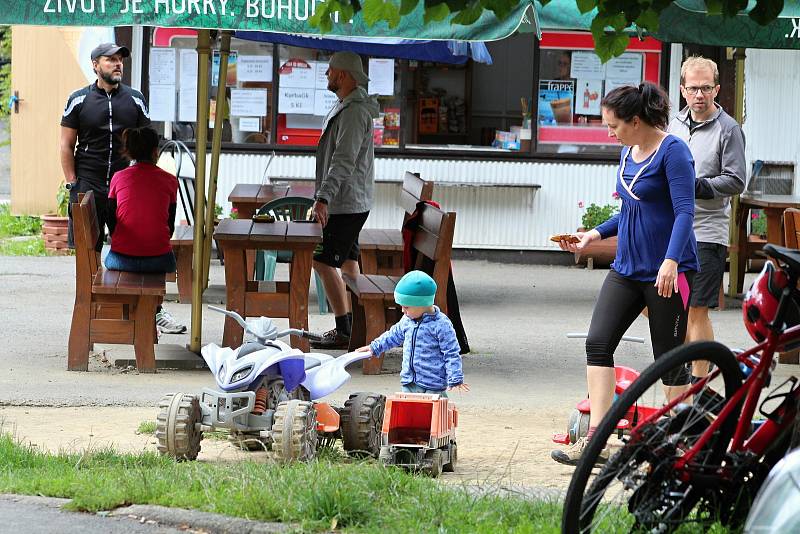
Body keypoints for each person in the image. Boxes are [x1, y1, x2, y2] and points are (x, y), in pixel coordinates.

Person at [550, 83, 699, 466]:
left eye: (613, 125)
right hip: (626, 268)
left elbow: (685, 212)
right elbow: (630, 209)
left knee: (670, 359)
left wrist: (671, 261)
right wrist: (593, 235)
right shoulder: (626, 152)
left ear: (636, 120)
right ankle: (597, 443)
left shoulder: (674, 152)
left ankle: (685, 444)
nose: (608, 132)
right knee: (598, 343)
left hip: (668, 271)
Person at [667, 56, 746, 378]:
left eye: (706, 88)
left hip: (705, 232)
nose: (700, 95)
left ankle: (699, 383)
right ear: (683, 90)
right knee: (662, 305)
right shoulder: (673, 124)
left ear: (717, 89)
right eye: (693, 88)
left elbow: (737, 180)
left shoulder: (729, 129)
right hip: (672, 230)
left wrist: (696, 187)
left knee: (697, 309)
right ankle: (689, 363)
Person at [309, 51, 380, 349]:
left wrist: (323, 197)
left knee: (322, 261)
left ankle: (344, 330)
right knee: (349, 264)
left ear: (344, 75)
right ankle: (357, 328)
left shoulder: (353, 111)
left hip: (345, 203)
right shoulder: (349, 106)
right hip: (351, 201)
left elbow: (343, 160)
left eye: (330, 70)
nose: (326, 74)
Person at [60, 43, 150, 252]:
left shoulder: (136, 99)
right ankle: (88, 285)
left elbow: (147, 144)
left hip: (125, 183)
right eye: (110, 59)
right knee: (88, 249)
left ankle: (123, 284)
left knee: (130, 245)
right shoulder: (78, 99)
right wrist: (72, 182)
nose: (118, 64)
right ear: (95, 65)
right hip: (88, 182)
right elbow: (66, 144)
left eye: (120, 59)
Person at [103, 127, 186, 334]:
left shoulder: (118, 178)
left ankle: (134, 314)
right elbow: (169, 223)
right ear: (155, 152)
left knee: (114, 255)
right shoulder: (170, 180)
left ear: (128, 152)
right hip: (159, 258)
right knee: (162, 254)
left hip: (121, 258)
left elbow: (110, 220)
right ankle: (155, 311)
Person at [356, 271, 470, 395]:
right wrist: (374, 347)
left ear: (422, 303)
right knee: (409, 413)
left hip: (433, 385)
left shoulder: (442, 324)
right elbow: (392, 335)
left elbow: (451, 352)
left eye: (406, 307)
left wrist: (455, 377)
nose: (402, 310)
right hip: (409, 382)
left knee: (431, 413)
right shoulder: (407, 320)